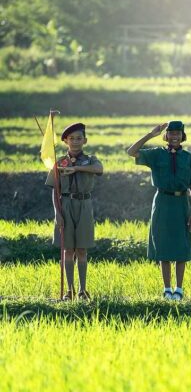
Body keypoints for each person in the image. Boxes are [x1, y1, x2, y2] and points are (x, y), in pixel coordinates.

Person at [127, 120, 191, 300]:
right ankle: (167, 289)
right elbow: (131, 152)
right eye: (171, 133)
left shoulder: (189, 158)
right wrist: (150, 135)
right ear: (166, 136)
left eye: (178, 133)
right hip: (162, 202)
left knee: (182, 246)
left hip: (182, 202)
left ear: (182, 136)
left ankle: (179, 289)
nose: (175, 136)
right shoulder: (156, 154)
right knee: (164, 246)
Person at [46, 122, 103, 300]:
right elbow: (55, 190)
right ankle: (69, 290)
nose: (75, 142)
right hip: (65, 205)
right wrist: (58, 213)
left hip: (84, 205)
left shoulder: (91, 160)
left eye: (79, 138)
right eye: (71, 138)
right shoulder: (60, 162)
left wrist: (76, 168)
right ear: (65, 141)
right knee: (68, 250)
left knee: (82, 250)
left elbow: (99, 170)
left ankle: (82, 290)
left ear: (85, 140)